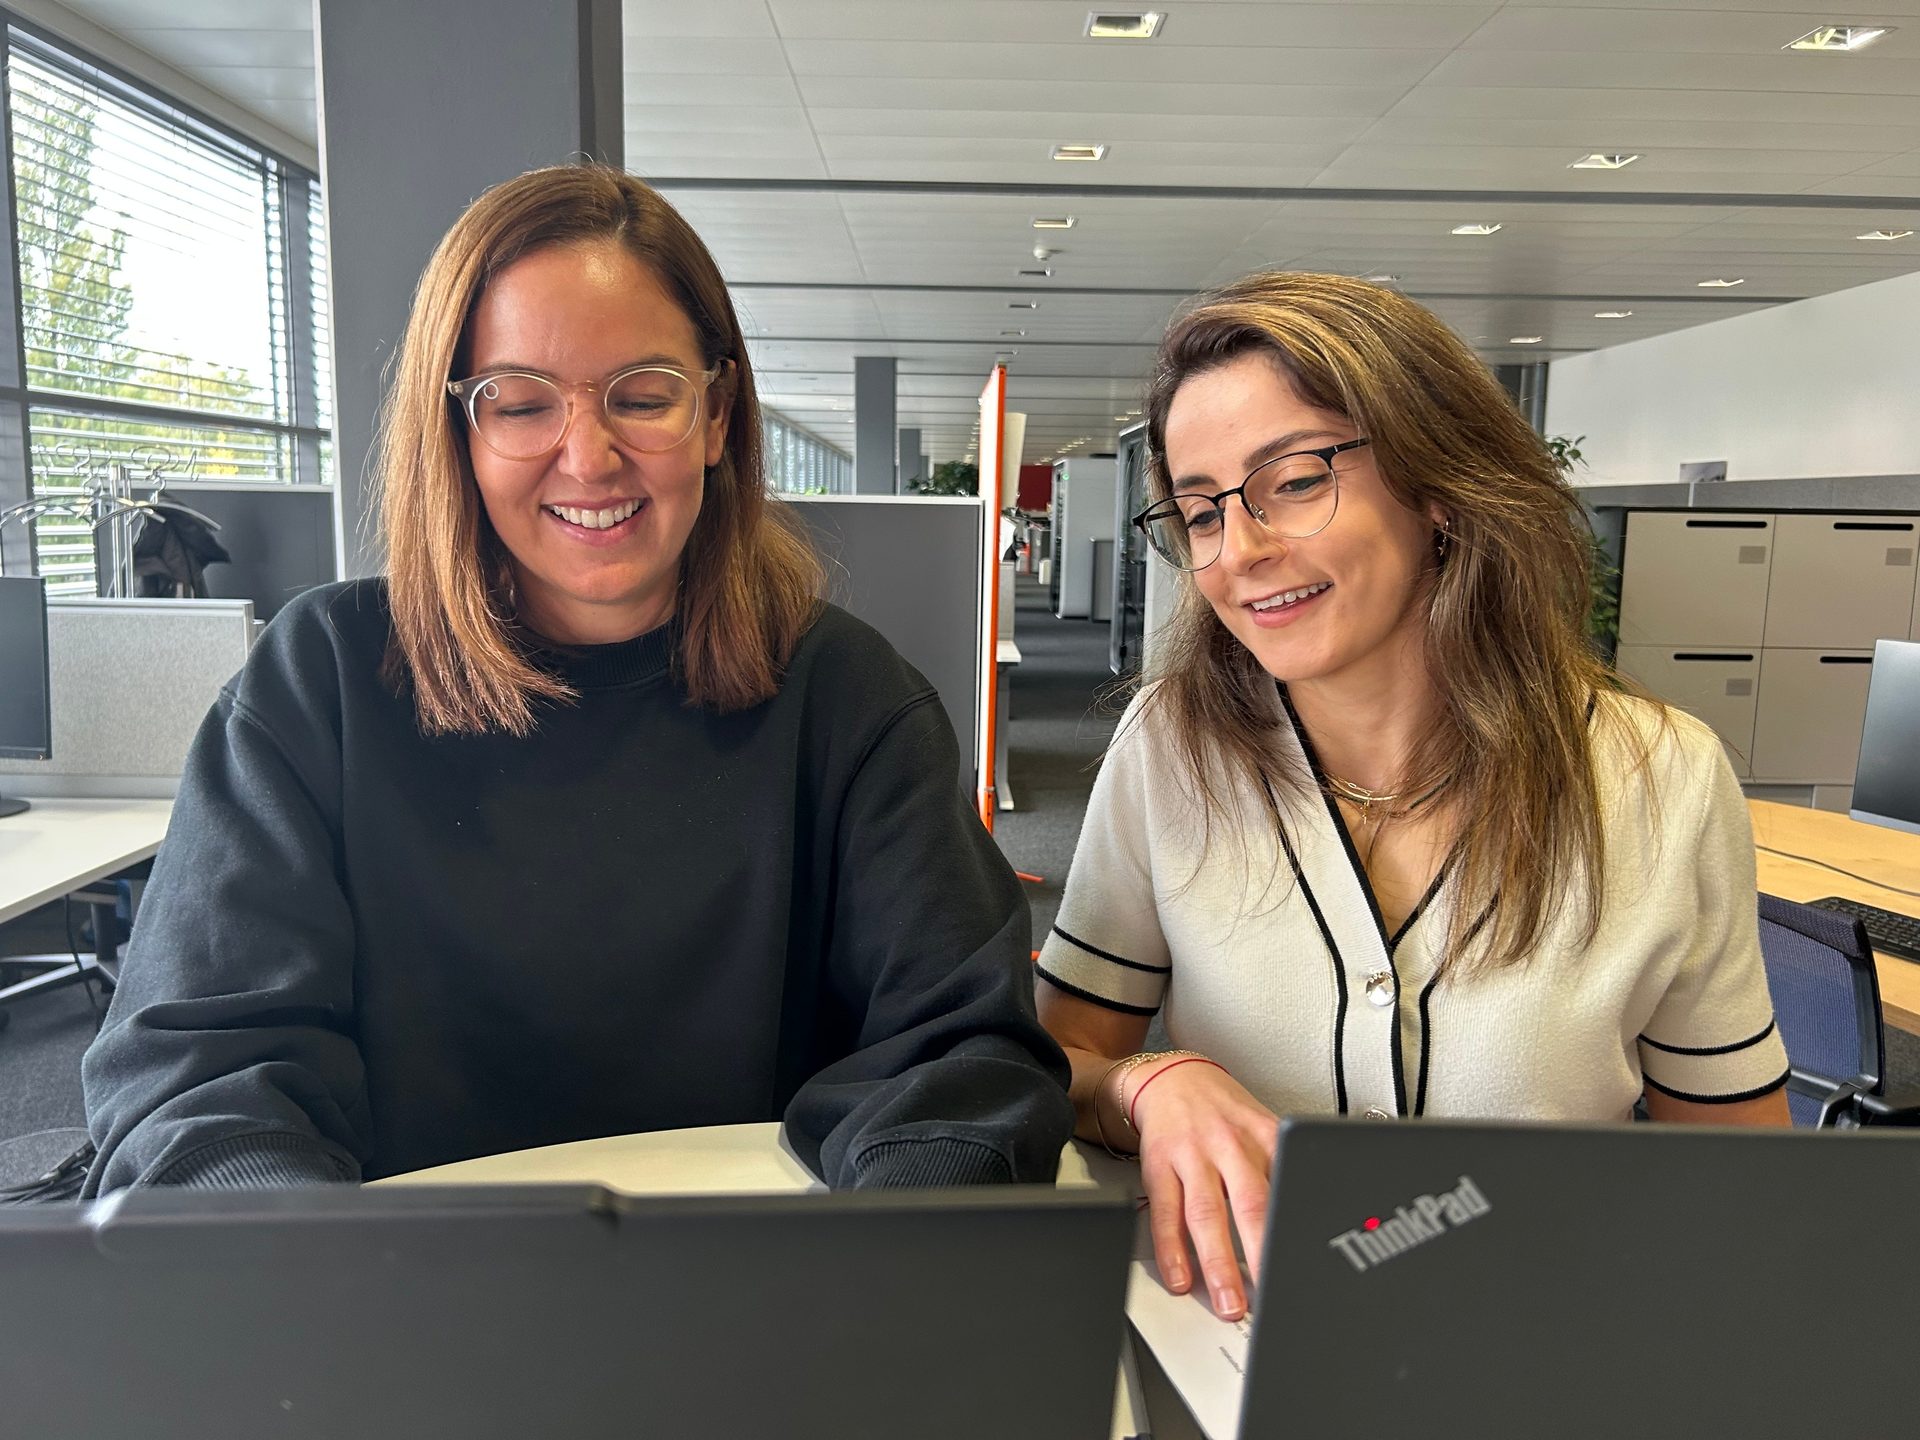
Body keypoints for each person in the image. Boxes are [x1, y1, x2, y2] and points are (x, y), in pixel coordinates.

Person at [82, 163, 1073, 1195]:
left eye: (643, 396)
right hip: (391, 1280)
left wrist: (891, 1253)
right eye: (520, 404)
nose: (589, 457)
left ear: (718, 416)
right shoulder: (319, 683)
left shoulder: (850, 700)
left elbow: (964, 1058)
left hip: (761, 1273)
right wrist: (319, 1269)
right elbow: (197, 1081)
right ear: (459, 432)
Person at [1035, 272, 1790, 1321]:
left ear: (1437, 484)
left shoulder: (1658, 778)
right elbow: (1056, 1069)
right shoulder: (1175, 750)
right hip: (1246, 1334)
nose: (1240, 550)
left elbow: (1742, 1185)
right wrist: (1147, 1084)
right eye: (1201, 511)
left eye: (1294, 480)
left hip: (1544, 1334)